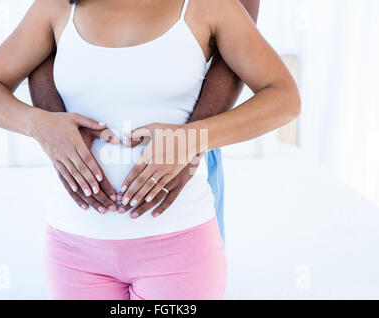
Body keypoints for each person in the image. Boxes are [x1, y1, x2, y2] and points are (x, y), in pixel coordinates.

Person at [0, 0, 300, 299]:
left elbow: (284, 97)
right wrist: (37, 124)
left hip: (178, 244)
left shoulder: (207, 7)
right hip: (73, 246)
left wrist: (193, 138)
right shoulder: (57, 8)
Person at [28, 1, 260, 245]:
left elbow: (233, 56)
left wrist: (190, 141)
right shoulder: (54, 9)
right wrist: (59, 140)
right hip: (78, 229)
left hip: (191, 122)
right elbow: (42, 47)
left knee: (188, 236)